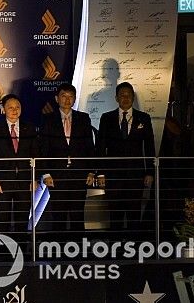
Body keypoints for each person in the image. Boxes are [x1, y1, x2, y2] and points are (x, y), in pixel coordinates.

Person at [96, 82, 155, 231]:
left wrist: (150, 172)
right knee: (115, 214)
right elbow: (101, 147)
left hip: (136, 175)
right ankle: (116, 250)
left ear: (133, 97)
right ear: (116, 98)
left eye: (129, 94)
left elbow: (149, 147)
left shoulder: (144, 118)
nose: (126, 97)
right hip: (113, 175)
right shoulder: (106, 118)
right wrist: (100, 173)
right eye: (122, 95)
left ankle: (134, 249)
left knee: (134, 214)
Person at [38, 83, 95, 236]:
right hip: (56, 176)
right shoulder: (48, 119)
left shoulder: (83, 118)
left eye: (71, 97)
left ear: (75, 99)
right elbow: (43, 148)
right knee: (58, 216)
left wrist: (91, 171)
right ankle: (59, 251)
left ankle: (78, 252)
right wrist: (46, 173)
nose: (67, 100)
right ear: (57, 99)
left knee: (78, 215)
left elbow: (90, 146)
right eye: (64, 96)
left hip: (79, 174)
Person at [0, 94, 38, 234]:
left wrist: (34, 178)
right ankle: (2, 252)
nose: (15, 110)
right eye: (10, 108)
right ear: (3, 109)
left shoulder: (30, 128)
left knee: (22, 220)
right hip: (3, 181)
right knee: (3, 219)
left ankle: (21, 252)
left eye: (17, 107)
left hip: (24, 181)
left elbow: (35, 155)